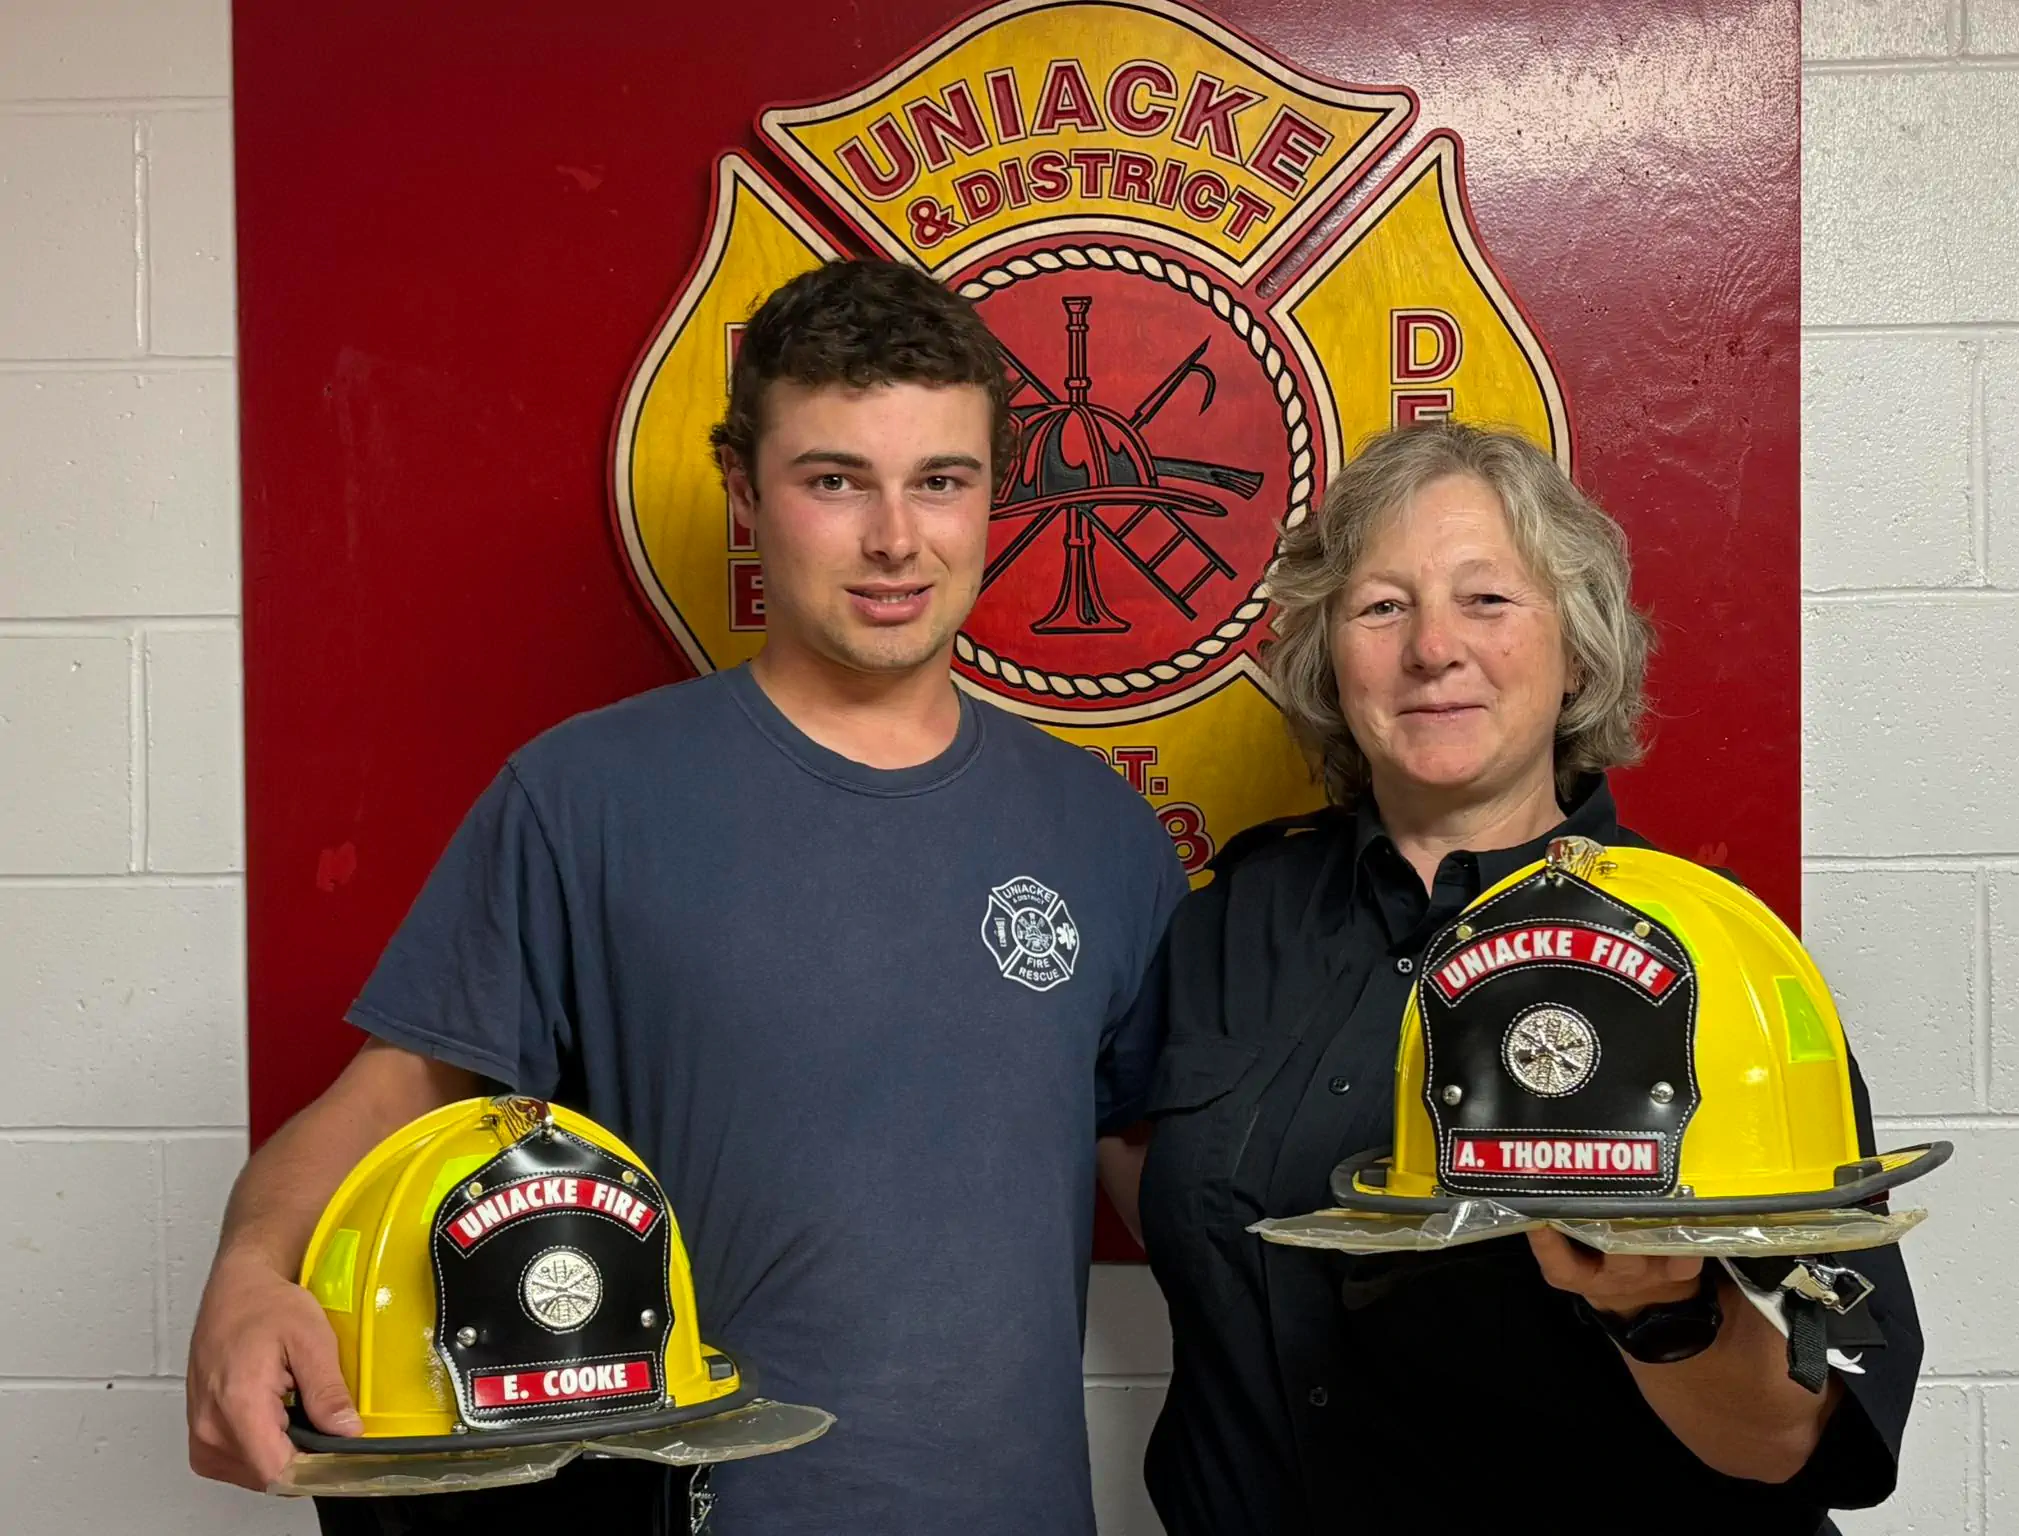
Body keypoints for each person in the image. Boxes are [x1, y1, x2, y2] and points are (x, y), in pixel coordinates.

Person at [185, 258, 1188, 1534]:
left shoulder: (1096, 828)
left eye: (940, 480)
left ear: (994, 491)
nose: (895, 538)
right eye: (834, 480)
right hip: (689, 1511)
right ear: (742, 491)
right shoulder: (586, 797)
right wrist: (248, 1269)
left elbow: (1172, 1176)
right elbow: (387, 1102)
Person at [1135, 422, 1921, 1533]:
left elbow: (1794, 1438)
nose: (1430, 650)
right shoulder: (1225, 926)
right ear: (1325, 656)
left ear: (1579, 653)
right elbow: (1149, 1171)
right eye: (1380, 607)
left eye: (1486, 601)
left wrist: (1662, 1314)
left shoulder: (1699, 957)